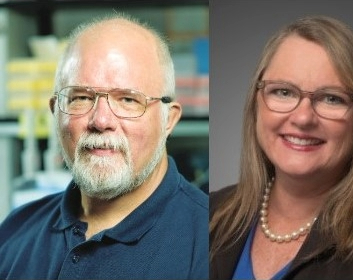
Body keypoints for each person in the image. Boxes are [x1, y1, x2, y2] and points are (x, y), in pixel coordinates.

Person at [0, 15, 208, 280]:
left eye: (128, 100)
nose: (101, 120)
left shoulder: (212, 241)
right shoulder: (15, 232)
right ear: (56, 112)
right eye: (82, 98)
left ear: (169, 120)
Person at [210, 15, 353, 280]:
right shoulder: (210, 213)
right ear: (256, 102)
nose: (303, 118)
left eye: (332, 98)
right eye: (283, 92)